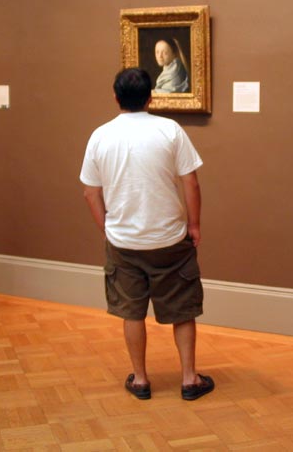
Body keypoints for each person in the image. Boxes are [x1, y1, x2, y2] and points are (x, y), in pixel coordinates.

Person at [80, 67, 213, 401]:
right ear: (150, 97)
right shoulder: (169, 130)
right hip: (170, 239)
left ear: (116, 97)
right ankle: (189, 379)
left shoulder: (100, 136)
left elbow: (90, 192)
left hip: (123, 242)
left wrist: (106, 228)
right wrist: (194, 225)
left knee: (132, 311)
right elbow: (191, 182)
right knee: (182, 310)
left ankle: (140, 379)